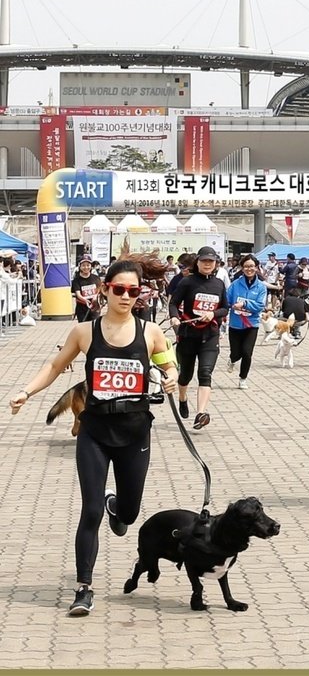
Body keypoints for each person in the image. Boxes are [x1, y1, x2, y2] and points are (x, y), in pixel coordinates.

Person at [10, 256, 179, 616]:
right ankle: (83, 587)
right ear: (105, 290)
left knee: (129, 514)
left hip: (135, 433)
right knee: (90, 510)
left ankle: (118, 506)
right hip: (95, 433)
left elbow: (168, 363)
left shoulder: (150, 332)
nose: (126, 296)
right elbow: (55, 366)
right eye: (119, 289)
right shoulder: (84, 332)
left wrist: (171, 375)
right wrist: (27, 391)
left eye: (133, 291)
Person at [168, 246, 228, 430]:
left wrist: (214, 313)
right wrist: (174, 317)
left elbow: (226, 307)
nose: (208, 264)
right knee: (185, 374)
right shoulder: (188, 282)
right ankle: (182, 398)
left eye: (211, 261)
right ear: (198, 263)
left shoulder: (219, 284)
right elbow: (174, 303)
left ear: (216, 263)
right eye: (204, 261)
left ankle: (201, 413)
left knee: (205, 373)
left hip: (210, 336)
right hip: (188, 335)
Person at [225, 254, 267, 391]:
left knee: (247, 353)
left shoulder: (261, 287)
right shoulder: (235, 284)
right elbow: (227, 301)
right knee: (236, 353)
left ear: (256, 267)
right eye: (246, 266)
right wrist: (232, 306)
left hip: (251, 324)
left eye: (252, 266)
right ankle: (232, 360)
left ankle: (243, 378)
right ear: (242, 268)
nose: (249, 269)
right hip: (235, 324)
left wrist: (245, 304)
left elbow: (260, 305)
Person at [71, 256, 101, 323]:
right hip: (82, 308)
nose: (86, 267)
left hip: (94, 307)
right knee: (83, 327)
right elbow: (78, 294)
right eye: (83, 265)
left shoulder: (96, 278)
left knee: (95, 326)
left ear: (91, 266)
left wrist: (95, 297)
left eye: (88, 265)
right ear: (80, 267)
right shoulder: (76, 281)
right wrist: (85, 300)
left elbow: (99, 290)